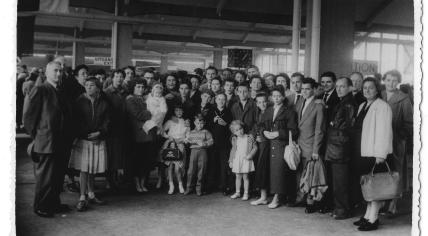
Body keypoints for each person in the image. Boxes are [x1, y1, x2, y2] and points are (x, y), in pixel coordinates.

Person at [23, 61, 72, 217]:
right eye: (56, 71)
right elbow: (29, 119)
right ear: (47, 72)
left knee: (57, 176)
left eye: (61, 71)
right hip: (46, 141)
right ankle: (41, 206)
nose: (59, 74)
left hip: (61, 141)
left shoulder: (60, 90)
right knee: (45, 177)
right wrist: (37, 137)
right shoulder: (40, 90)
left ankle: (53, 203)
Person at [353, 77, 393, 231]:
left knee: (375, 185)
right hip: (363, 151)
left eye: (370, 88)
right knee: (367, 185)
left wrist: (381, 154)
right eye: (365, 88)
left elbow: (385, 132)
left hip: (375, 152)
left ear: (377, 89)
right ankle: (367, 214)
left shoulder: (383, 107)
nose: (367, 90)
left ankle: (373, 218)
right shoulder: (363, 105)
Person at [68, 76, 110, 211]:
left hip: (98, 139)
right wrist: (87, 134)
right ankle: (82, 197)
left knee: (93, 168)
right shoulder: (79, 101)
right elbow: (76, 121)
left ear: (98, 87)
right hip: (84, 139)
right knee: (84, 169)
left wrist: (100, 133)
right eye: (86, 85)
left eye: (92, 85)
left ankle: (91, 194)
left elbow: (108, 121)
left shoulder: (104, 102)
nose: (88, 87)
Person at [322, 77, 356, 219]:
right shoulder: (343, 102)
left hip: (340, 148)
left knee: (340, 182)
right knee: (337, 181)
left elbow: (348, 128)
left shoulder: (348, 104)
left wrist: (332, 125)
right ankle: (339, 207)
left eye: (343, 86)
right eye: (337, 86)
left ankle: (342, 210)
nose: (339, 89)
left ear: (350, 88)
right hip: (336, 147)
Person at [381, 70, 413, 215]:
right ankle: (382, 201)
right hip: (380, 141)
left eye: (394, 80)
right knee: (382, 171)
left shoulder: (403, 98)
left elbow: (409, 122)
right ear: (384, 81)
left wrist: (399, 135)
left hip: (396, 141)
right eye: (388, 80)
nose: (391, 83)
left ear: (398, 82)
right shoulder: (379, 95)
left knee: (396, 172)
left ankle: (393, 204)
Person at [260, 86, 298, 209]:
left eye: (279, 96)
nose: (276, 98)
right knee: (267, 170)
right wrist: (264, 132)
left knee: (278, 171)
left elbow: (294, 131)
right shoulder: (268, 110)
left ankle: (277, 197)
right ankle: (264, 196)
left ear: (283, 97)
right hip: (267, 144)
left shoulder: (289, 111)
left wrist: (278, 133)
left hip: (281, 144)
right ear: (271, 97)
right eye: (274, 96)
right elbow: (261, 125)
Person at [295, 78, 326, 213]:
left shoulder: (318, 105)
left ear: (313, 89)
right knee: (300, 173)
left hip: (311, 144)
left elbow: (320, 130)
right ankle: (300, 198)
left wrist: (316, 150)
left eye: (307, 89)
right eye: (302, 89)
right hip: (299, 143)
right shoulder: (300, 102)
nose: (305, 91)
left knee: (310, 174)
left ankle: (310, 202)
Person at [126, 78, 156, 193]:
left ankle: (143, 183)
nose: (141, 89)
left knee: (146, 161)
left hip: (148, 134)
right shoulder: (130, 100)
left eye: (143, 87)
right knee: (137, 161)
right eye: (138, 87)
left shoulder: (146, 98)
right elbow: (138, 114)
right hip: (137, 135)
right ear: (133, 87)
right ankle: (137, 184)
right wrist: (150, 113)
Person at [103, 69, 129, 191]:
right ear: (112, 78)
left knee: (120, 155)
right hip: (111, 128)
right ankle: (109, 180)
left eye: (121, 76)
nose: (119, 78)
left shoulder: (125, 91)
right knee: (110, 155)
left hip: (123, 127)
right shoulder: (107, 92)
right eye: (117, 76)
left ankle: (117, 178)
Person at [206, 93, 233, 194]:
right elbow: (206, 126)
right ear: (215, 100)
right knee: (212, 164)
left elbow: (232, 127)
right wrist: (213, 121)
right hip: (212, 142)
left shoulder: (228, 112)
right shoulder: (211, 111)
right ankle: (210, 186)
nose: (221, 101)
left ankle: (224, 186)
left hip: (225, 143)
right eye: (219, 99)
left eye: (223, 99)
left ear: (225, 101)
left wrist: (226, 124)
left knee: (224, 166)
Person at [162, 105, 190, 194]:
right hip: (171, 145)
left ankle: (180, 184)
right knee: (170, 166)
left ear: (183, 112)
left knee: (178, 168)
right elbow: (162, 131)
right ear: (174, 111)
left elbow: (188, 136)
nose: (178, 112)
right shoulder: (170, 121)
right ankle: (171, 185)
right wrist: (168, 137)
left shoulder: (185, 122)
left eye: (180, 111)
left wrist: (183, 140)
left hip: (180, 145)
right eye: (177, 110)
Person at [145, 82, 168, 189]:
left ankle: (160, 178)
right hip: (148, 129)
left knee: (160, 156)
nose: (158, 91)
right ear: (152, 91)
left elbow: (163, 112)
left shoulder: (163, 100)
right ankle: (145, 179)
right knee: (148, 154)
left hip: (159, 129)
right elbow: (147, 112)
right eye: (156, 89)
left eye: (160, 90)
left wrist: (156, 118)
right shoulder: (148, 99)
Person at [184, 114, 214, 196]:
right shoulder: (191, 132)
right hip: (193, 151)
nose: (199, 125)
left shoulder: (206, 132)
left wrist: (204, 143)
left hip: (203, 152)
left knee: (201, 170)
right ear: (194, 123)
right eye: (197, 123)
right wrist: (186, 142)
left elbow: (211, 141)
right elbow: (187, 142)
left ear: (204, 123)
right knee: (191, 171)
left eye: (201, 123)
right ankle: (189, 188)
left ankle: (199, 189)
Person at [228, 120, 257, 201]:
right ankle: (237, 192)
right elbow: (233, 150)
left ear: (243, 128)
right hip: (237, 159)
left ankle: (246, 193)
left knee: (246, 177)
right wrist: (231, 161)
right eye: (236, 130)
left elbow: (255, 147)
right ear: (234, 132)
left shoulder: (249, 137)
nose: (239, 131)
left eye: (240, 129)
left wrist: (250, 155)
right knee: (237, 176)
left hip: (246, 159)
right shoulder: (235, 139)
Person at [250, 93, 271, 206]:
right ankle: (263, 196)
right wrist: (256, 136)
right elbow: (257, 127)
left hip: (268, 144)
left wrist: (261, 136)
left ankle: (264, 197)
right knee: (261, 168)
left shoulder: (270, 112)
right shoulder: (259, 113)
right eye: (259, 102)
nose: (262, 104)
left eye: (264, 101)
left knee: (263, 168)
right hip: (261, 144)